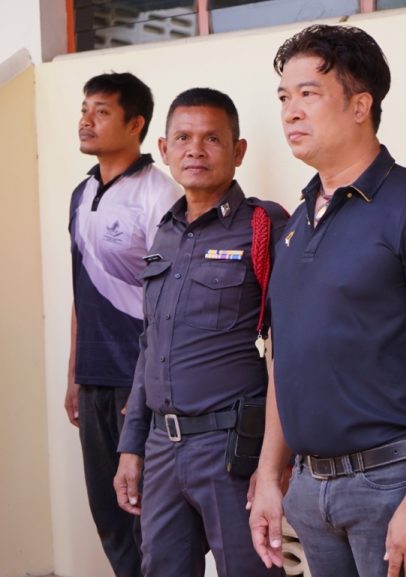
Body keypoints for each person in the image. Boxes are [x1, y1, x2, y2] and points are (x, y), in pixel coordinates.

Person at [248, 24, 406, 577]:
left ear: (360, 106)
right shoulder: (297, 222)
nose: (291, 112)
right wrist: (270, 475)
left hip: (390, 483)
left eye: (308, 94)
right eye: (284, 97)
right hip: (310, 488)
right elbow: (285, 358)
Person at [112, 88, 288, 577]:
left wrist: (275, 462)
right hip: (161, 448)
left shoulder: (263, 225)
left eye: (212, 138)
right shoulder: (165, 232)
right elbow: (150, 345)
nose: (196, 150)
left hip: (231, 448)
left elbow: (293, 344)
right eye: (183, 138)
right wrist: (131, 446)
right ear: (164, 149)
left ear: (238, 150)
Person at [67, 71, 181, 577]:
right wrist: (74, 373)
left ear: (135, 124)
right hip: (93, 379)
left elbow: (172, 299)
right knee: (109, 517)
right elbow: (81, 290)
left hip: (138, 383)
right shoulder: (80, 193)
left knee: (147, 519)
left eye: (102, 111)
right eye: (84, 110)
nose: (86, 121)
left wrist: (153, 384)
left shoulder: (160, 194)